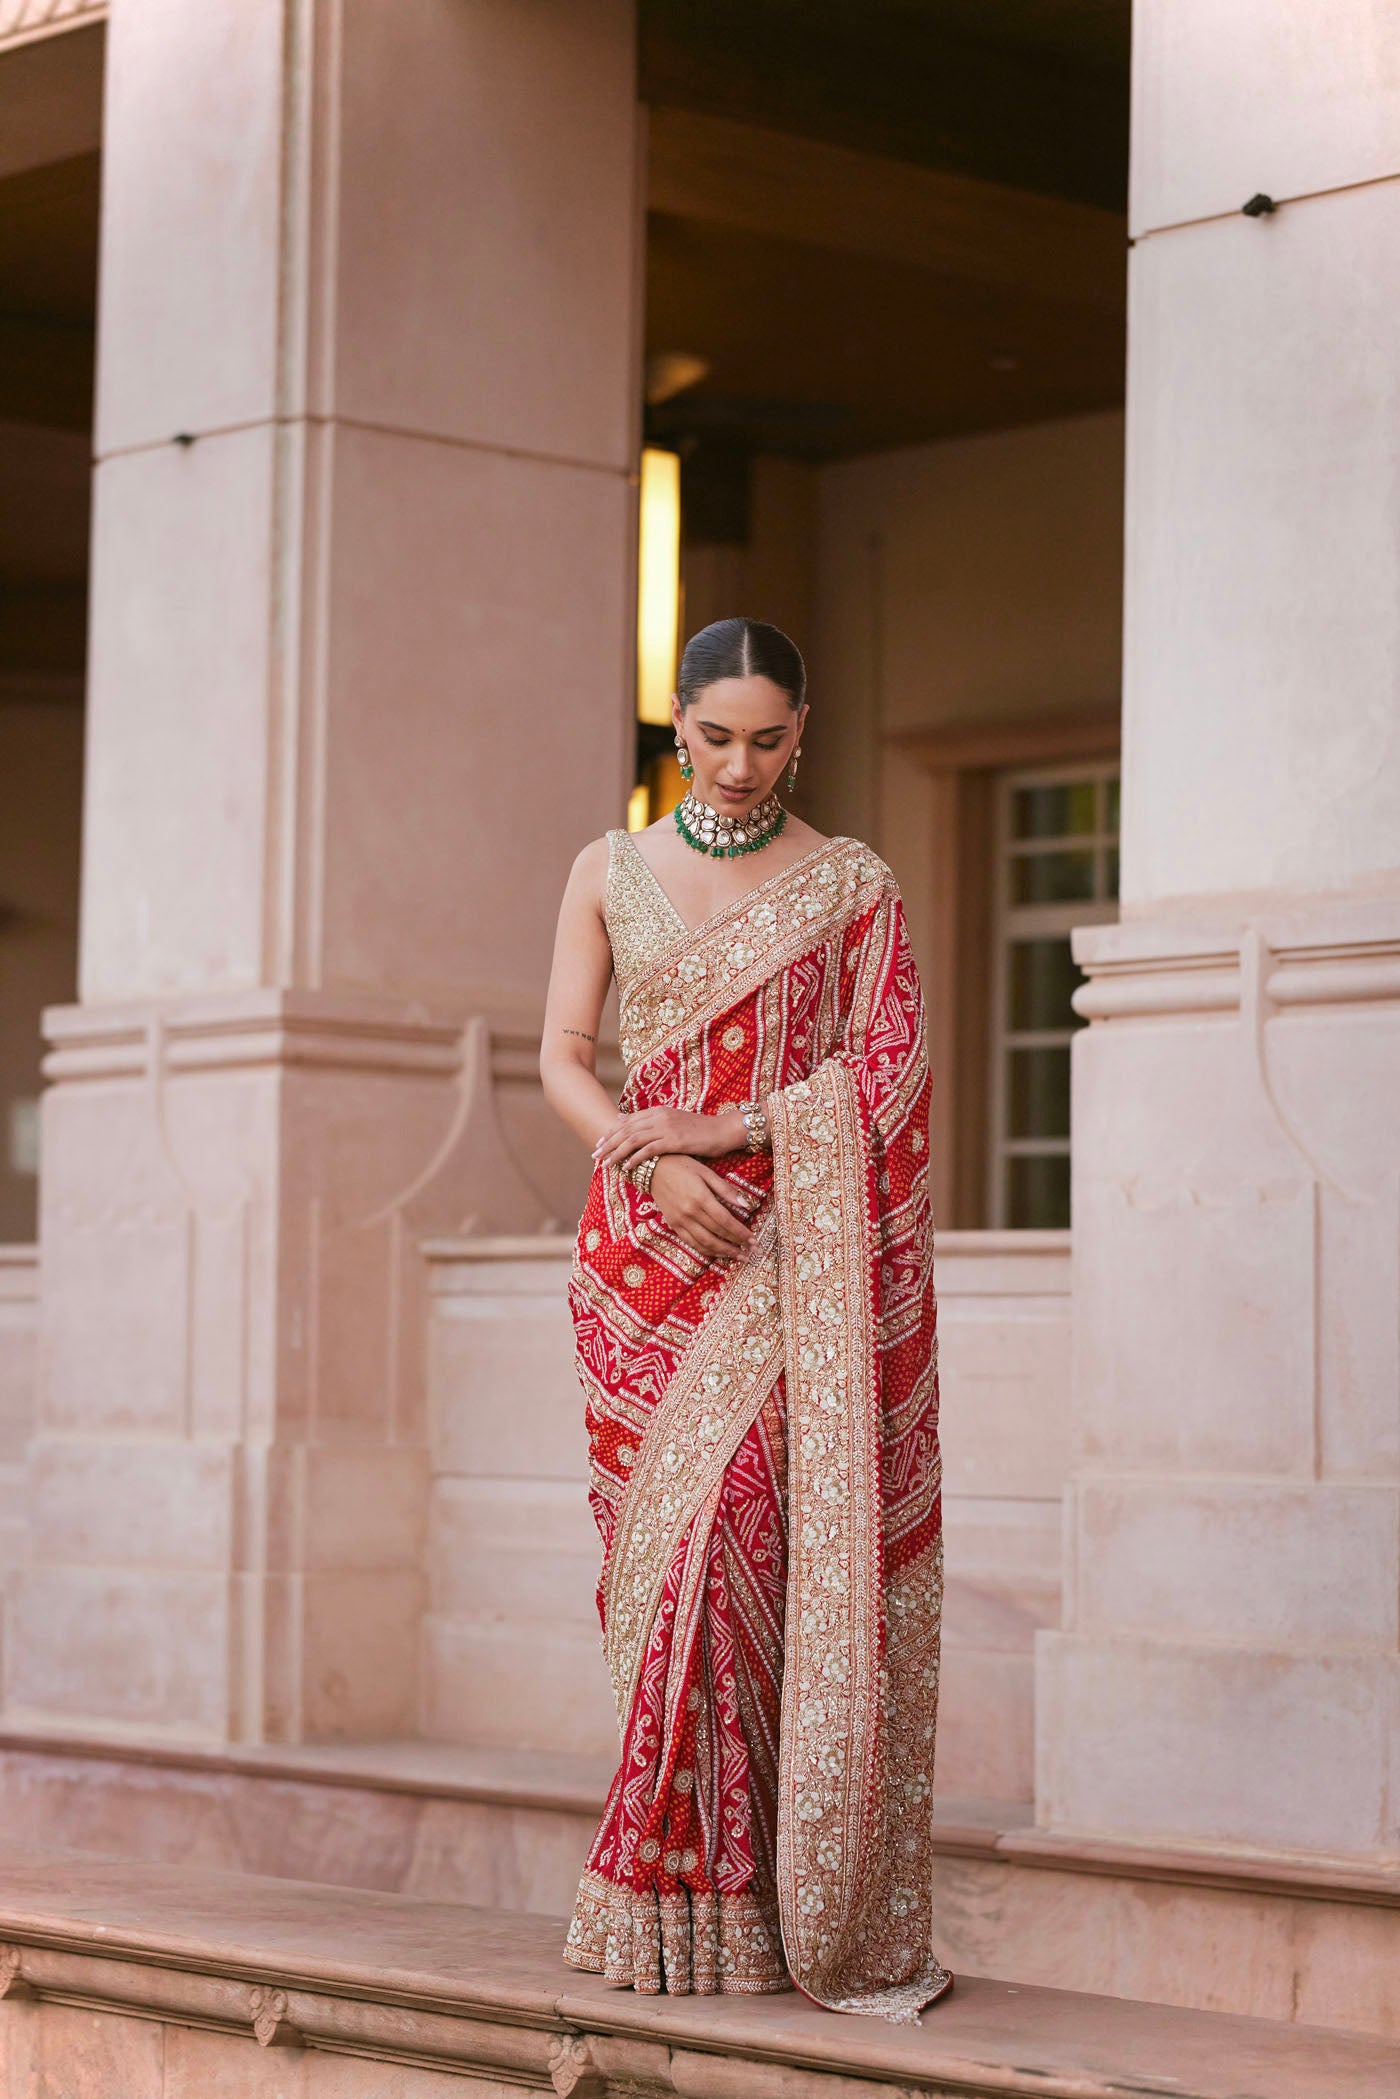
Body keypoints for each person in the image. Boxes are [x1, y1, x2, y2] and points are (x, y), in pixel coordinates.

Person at [540, 617, 949, 2023]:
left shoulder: (848, 886)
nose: (739, 765)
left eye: (768, 739)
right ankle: (666, 1894)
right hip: (637, 1257)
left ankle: (749, 1899)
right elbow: (562, 1057)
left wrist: (738, 1126)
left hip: (791, 1261)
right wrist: (651, 1154)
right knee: (658, 1578)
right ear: (676, 723)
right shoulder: (609, 869)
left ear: (806, 727)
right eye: (714, 737)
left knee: (743, 1553)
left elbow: (886, 1082)